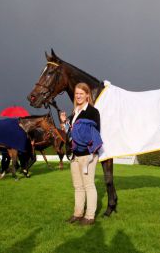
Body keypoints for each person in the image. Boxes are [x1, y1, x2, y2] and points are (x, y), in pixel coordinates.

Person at [66, 82, 102, 226]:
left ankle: (90, 216)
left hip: (87, 155)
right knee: (78, 186)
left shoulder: (93, 112)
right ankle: (78, 213)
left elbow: (92, 133)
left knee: (88, 185)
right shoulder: (74, 112)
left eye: (81, 93)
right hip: (75, 155)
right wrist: (66, 123)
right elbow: (71, 133)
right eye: (76, 93)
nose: (78, 96)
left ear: (87, 95)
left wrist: (76, 129)